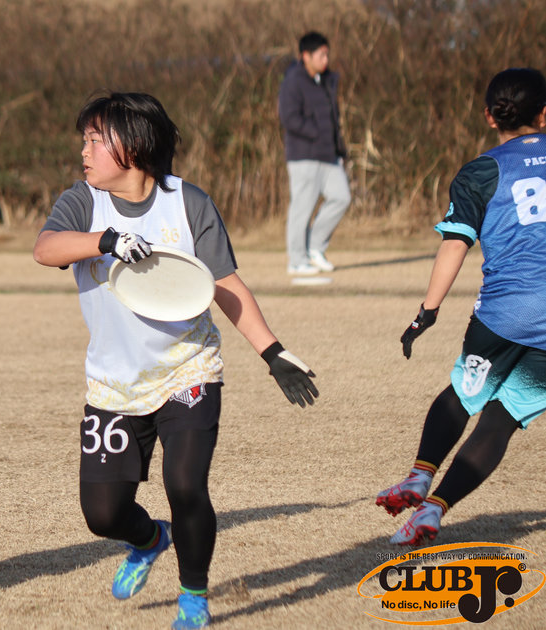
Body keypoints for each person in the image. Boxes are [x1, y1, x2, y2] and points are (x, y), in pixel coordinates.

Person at [33, 91, 319, 629]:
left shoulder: (187, 203)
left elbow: (224, 284)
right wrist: (106, 241)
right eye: (84, 140)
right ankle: (149, 540)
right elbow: (45, 249)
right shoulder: (84, 201)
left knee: (186, 485)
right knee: (103, 514)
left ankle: (193, 595)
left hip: (189, 368)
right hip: (115, 386)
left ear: (134, 145)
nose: (84, 151)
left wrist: (273, 351)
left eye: (95, 140)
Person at [376, 67, 546, 547]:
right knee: (503, 418)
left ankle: (419, 477)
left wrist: (426, 312)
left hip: (504, 315)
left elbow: (456, 244)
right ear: (544, 114)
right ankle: (434, 509)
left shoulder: (482, 171)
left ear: (490, 116)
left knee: (464, 394)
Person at [278, 31, 351, 277]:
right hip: (304, 156)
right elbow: (289, 117)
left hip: (329, 154)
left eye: (327, 54)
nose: (326, 59)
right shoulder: (293, 81)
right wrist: (316, 132)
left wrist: (336, 144)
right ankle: (297, 260)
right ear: (305, 56)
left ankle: (315, 248)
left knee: (342, 198)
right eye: (321, 54)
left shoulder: (326, 80)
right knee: (302, 208)